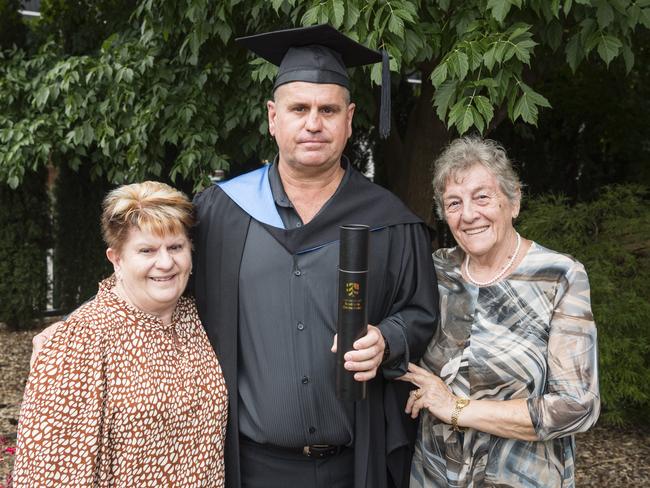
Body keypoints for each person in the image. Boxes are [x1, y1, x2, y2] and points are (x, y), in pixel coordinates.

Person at [190, 24, 438, 488]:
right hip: (249, 468)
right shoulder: (219, 213)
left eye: (328, 109)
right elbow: (157, 290)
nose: (313, 123)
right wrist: (79, 330)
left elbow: (422, 313)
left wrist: (387, 339)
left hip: (355, 465)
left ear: (349, 118)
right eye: (299, 108)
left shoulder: (390, 221)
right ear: (272, 117)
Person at [397, 136, 600, 487]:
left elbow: (577, 407)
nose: (469, 214)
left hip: (520, 477)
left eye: (482, 197)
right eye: (453, 203)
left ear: (514, 201)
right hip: (433, 475)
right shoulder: (433, 272)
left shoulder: (558, 276)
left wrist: (457, 408)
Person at [15, 182, 228, 487]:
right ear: (116, 258)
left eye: (176, 247)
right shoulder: (78, 342)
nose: (166, 262)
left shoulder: (197, 318)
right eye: (147, 250)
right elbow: (50, 473)